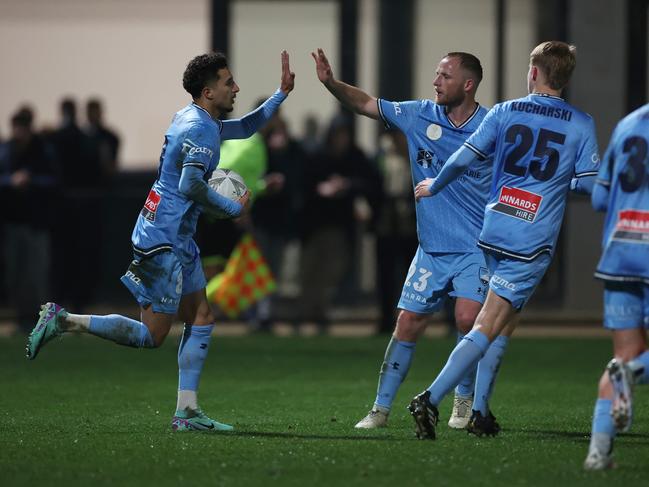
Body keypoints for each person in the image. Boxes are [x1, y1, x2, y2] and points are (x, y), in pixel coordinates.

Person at [26, 51, 295, 432]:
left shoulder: (198, 118)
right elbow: (191, 185)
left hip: (175, 235)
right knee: (152, 336)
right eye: (227, 82)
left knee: (201, 317)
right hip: (163, 239)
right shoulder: (200, 130)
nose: (235, 87)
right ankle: (65, 320)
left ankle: (186, 412)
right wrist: (233, 209)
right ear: (207, 91)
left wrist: (280, 94)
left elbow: (247, 126)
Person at [410, 41, 599, 439]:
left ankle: (480, 412)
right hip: (530, 238)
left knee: (504, 322)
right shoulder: (581, 123)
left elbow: (464, 156)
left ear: (534, 73)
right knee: (489, 322)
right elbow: (586, 187)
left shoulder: (504, 110)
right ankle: (430, 398)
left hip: (494, 228)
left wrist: (435, 184)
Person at [312, 48, 495, 429]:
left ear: (468, 84)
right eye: (436, 74)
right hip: (431, 249)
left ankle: (462, 400)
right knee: (408, 322)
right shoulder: (419, 114)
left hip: (475, 247)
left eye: (444, 76)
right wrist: (331, 83)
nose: (435, 82)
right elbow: (365, 103)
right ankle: (380, 409)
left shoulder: (492, 124)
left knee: (466, 318)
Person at [583, 104, 649, 470]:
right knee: (633, 363)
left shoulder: (627, 124)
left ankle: (598, 453)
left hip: (620, 251)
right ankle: (636, 372)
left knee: (623, 355)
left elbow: (599, 198)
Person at [0, 107, 59, 333]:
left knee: (35, 275)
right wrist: (11, 181)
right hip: (13, 223)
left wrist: (30, 180)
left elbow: (54, 181)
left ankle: (38, 319)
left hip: (36, 224)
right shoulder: (7, 151)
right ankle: (21, 316)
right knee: (15, 274)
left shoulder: (42, 150)